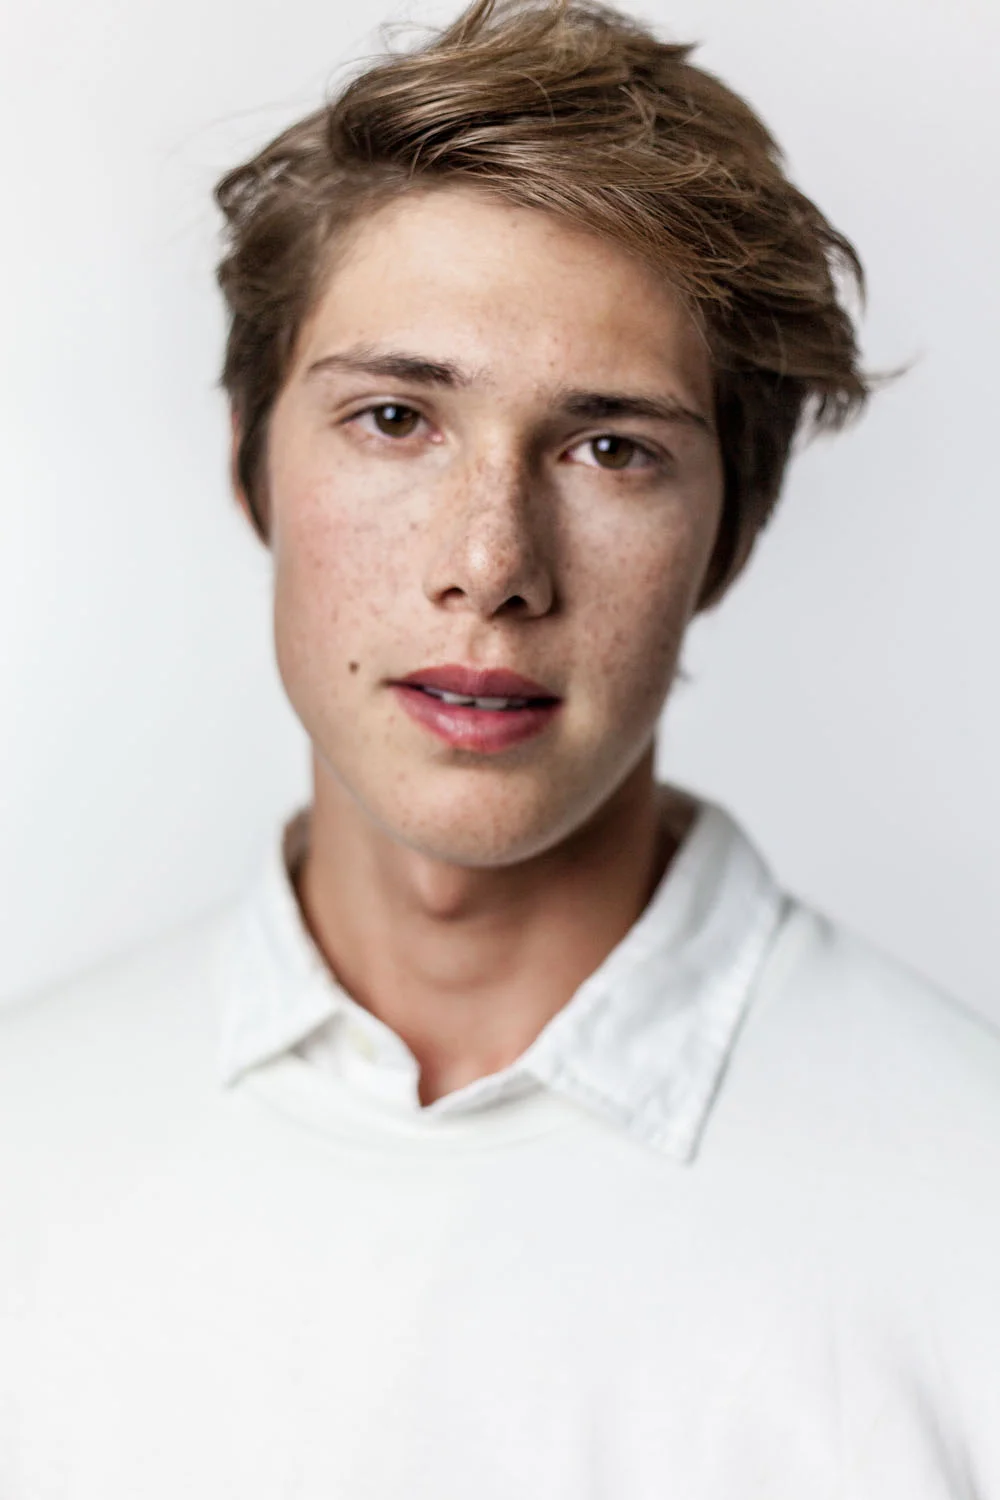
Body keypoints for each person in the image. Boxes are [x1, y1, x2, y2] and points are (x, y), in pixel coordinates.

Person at [2, 0, 998, 1494]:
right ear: (250, 464)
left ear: (730, 534)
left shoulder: (969, 1217)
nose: (491, 565)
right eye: (395, 418)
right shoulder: (26, 1149)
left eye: (612, 448)